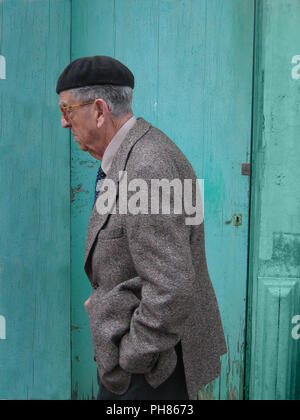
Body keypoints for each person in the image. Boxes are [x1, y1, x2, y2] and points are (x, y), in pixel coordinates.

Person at [56, 56, 227, 400]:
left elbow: (172, 287)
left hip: (151, 374)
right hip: (147, 364)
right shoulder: (129, 156)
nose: (64, 123)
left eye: (68, 110)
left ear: (100, 110)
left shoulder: (147, 166)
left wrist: (131, 357)